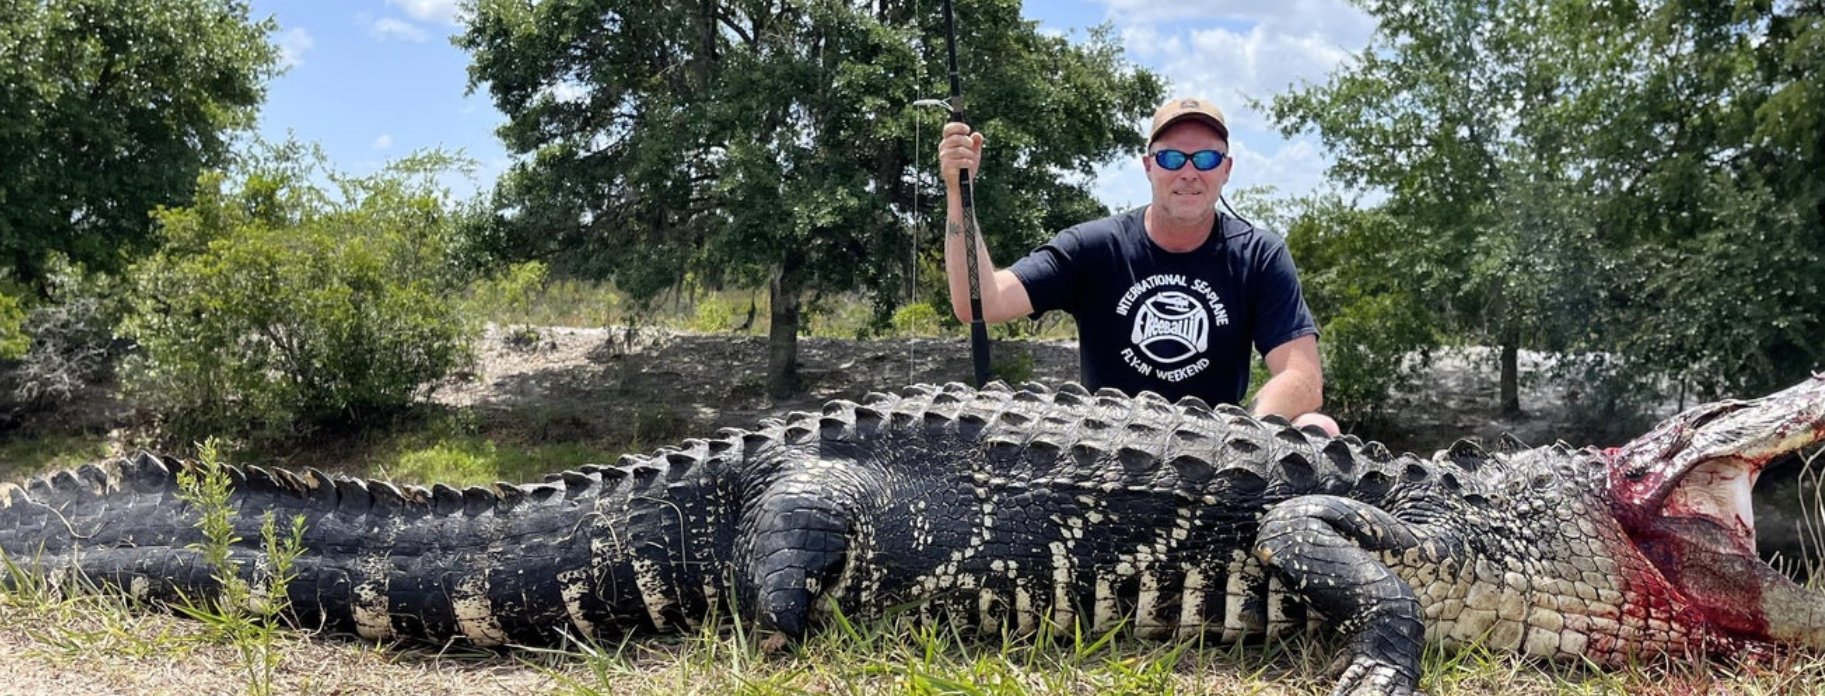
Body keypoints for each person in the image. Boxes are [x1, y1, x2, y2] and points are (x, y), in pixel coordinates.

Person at [936, 95, 1340, 436]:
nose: (1188, 172)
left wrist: (1245, 433)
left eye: (1204, 158)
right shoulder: (1093, 246)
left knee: (1318, 427)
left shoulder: (1259, 253)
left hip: (1219, 448)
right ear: (1148, 166)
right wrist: (959, 193)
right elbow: (979, 303)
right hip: (1106, 446)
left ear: (1226, 169)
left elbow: (1302, 378)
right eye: (1170, 158)